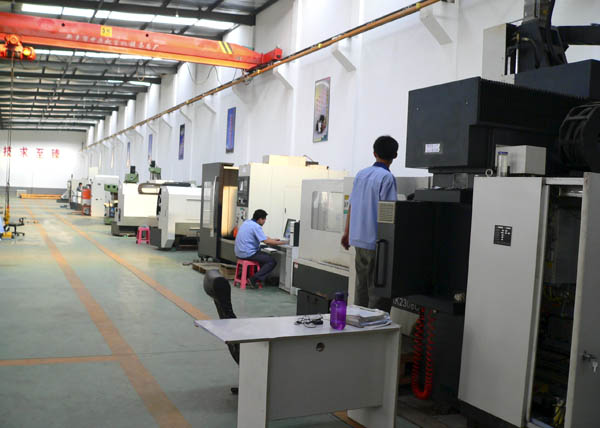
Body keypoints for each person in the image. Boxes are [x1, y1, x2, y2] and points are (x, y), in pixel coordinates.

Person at [341, 135, 398, 312]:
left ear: (374, 153)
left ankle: (357, 322)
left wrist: (347, 233)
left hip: (359, 241)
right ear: (395, 156)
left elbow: (352, 205)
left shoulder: (361, 174)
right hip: (377, 244)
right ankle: (375, 325)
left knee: (361, 288)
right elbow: (388, 213)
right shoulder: (387, 178)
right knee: (378, 293)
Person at [234, 209, 287, 288]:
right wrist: (284, 242)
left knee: (262, 255)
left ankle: (244, 276)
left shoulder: (246, 223)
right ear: (259, 219)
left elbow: (263, 237)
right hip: (248, 253)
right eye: (264, 219)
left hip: (239, 252)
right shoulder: (256, 226)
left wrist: (272, 239)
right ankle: (253, 279)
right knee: (271, 261)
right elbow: (267, 242)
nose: (265, 221)